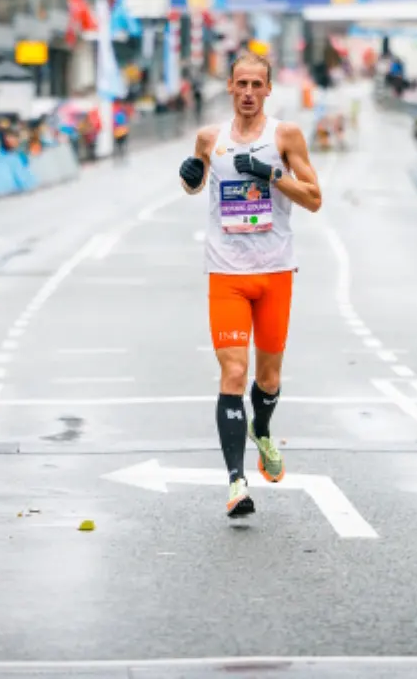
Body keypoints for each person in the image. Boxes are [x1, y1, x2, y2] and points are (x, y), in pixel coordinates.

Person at [177, 51, 323, 518]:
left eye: (256, 85)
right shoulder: (209, 138)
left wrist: (272, 175)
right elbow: (196, 185)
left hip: (275, 270)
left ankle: (262, 428)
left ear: (268, 89)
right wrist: (188, 177)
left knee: (268, 378)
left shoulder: (285, 136)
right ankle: (236, 483)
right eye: (240, 83)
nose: (247, 92)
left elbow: (314, 198)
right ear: (229, 86)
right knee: (234, 373)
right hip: (226, 272)